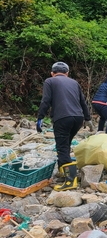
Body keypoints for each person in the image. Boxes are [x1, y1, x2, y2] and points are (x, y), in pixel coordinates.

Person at [37, 62, 94, 191]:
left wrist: (40, 117)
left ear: (52, 73)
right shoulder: (74, 83)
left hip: (62, 118)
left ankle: (70, 181)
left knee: (62, 148)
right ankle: (64, 171)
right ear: (67, 73)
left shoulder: (50, 81)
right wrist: (88, 118)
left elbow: (46, 100)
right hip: (78, 118)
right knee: (65, 144)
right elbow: (83, 102)